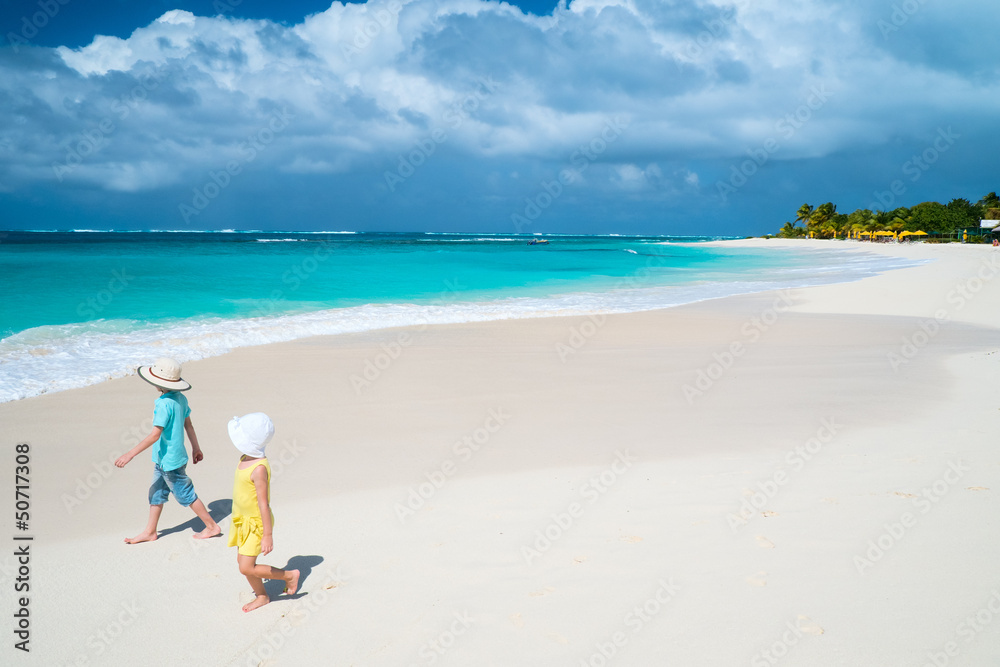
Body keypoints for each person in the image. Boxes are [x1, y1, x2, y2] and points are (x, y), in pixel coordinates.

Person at [115, 358, 222, 543]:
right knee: (156, 493)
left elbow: (155, 435)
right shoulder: (181, 398)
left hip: (170, 462)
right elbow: (188, 425)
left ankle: (212, 526)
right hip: (167, 458)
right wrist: (196, 447)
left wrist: (129, 454)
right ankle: (150, 531)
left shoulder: (163, 404)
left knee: (186, 494)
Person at [227, 412, 299, 612]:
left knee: (246, 567)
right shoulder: (244, 458)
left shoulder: (259, 469)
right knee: (243, 562)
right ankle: (262, 595)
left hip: (257, 523)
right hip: (242, 521)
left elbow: (263, 504)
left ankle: (290, 576)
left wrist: (267, 534)